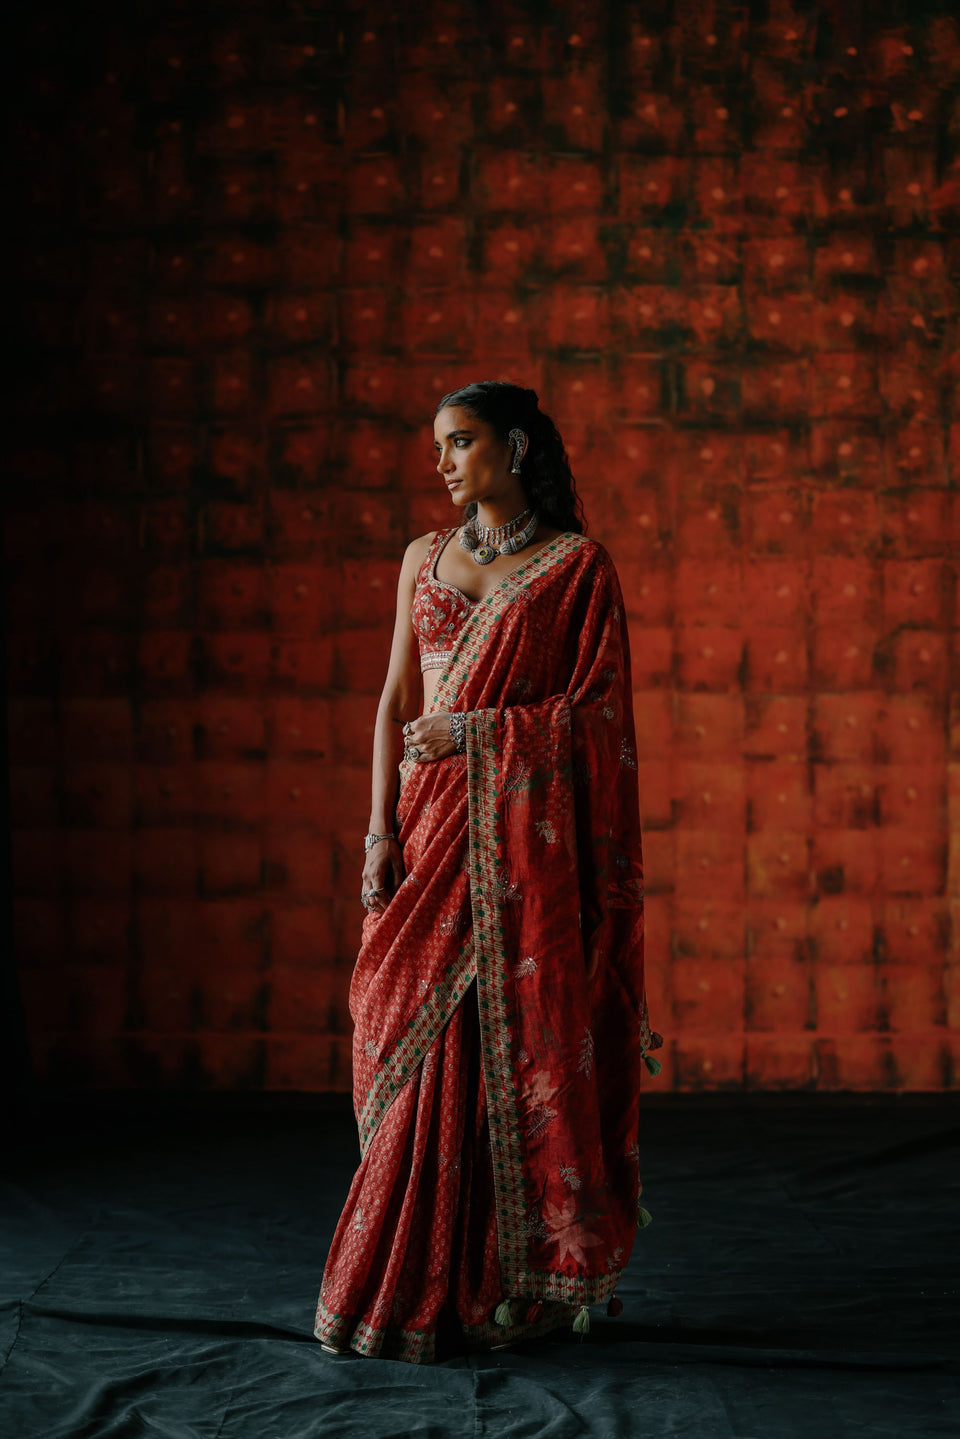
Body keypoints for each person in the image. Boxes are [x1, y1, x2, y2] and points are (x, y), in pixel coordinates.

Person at [314, 380, 662, 1364]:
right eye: (438, 446)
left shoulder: (575, 569)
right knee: (407, 1045)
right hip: (425, 841)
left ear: (511, 446)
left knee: (503, 1050)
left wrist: (478, 731)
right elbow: (391, 702)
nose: (444, 461)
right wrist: (378, 832)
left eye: (460, 442)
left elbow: (594, 720)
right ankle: (403, 1273)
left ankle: (504, 1281)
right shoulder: (423, 556)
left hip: (519, 859)